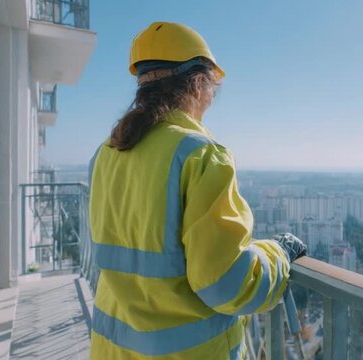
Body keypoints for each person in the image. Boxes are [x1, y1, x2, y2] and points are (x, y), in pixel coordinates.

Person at [88, 21, 307, 359]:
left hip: (113, 351)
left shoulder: (108, 152)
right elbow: (226, 284)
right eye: (212, 87)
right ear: (198, 83)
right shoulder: (200, 155)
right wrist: (278, 255)